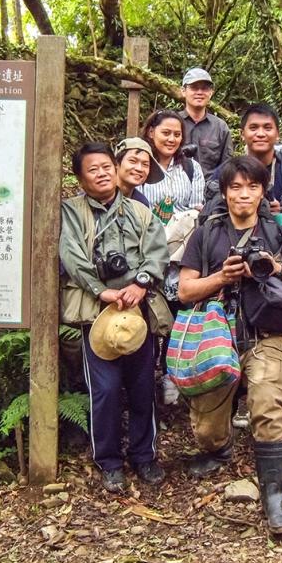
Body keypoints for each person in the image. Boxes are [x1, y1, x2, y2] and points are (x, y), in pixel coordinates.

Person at [178, 156, 282, 534]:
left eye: (252, 187)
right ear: (224, 192)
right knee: (207, 429)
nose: (244, 194)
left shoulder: (278, 233)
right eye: (236, 187)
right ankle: (220, 448)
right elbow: (185, 290)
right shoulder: (206, 233)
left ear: (262, 192)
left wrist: (277, 268)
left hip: (264, 334)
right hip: (214, 334)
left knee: (269, 405)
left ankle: (274, 494)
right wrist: (220, 278)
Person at [59, 142, 171, 491]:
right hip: (96, 314)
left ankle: (144, 456)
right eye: (93, 169)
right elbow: (71, 254)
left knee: (142, 386)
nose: (102, 173)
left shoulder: (139, 211)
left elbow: (158, 251)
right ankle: (108, 461)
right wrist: (99, 289)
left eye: (106, 166)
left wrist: (141, 283)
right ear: (80, 178)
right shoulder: (71, 211)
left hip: (137, 312)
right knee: (105, 390)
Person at [213, 104, 282, 435]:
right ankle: (244, 396)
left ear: (277, 132)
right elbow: (214, 209)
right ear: (242, 132)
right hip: (237, 255)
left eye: (267, 127)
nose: (260, 133)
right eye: (253, 127)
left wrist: (279, 214)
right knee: (239, 326)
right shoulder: (228, 170)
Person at [139, 110, 206, 404]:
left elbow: (197, 208)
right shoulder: (141, 163)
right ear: (151, 132)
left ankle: (171, 374)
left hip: (180, 255)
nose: (171, 139)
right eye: (165, 132)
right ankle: (144, 376)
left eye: (177, 134)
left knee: (179, 313)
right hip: (146, 250)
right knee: (148, 312)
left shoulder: (190, 168)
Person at [178, 68, 233, 176]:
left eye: (204, 88)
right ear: (183, 91)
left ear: (211, 93)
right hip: (176, 184)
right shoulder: (172, 123)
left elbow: (227, 165)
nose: (199, 92)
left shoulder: (220, 127)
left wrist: (215, 184)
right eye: (194, 87)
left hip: (210, 185)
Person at [115, 137, 165, 206]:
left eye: (145, 164)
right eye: (133, 161)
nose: (139, 168)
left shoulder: (141, 203)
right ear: (116, 163)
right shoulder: (102, 195)